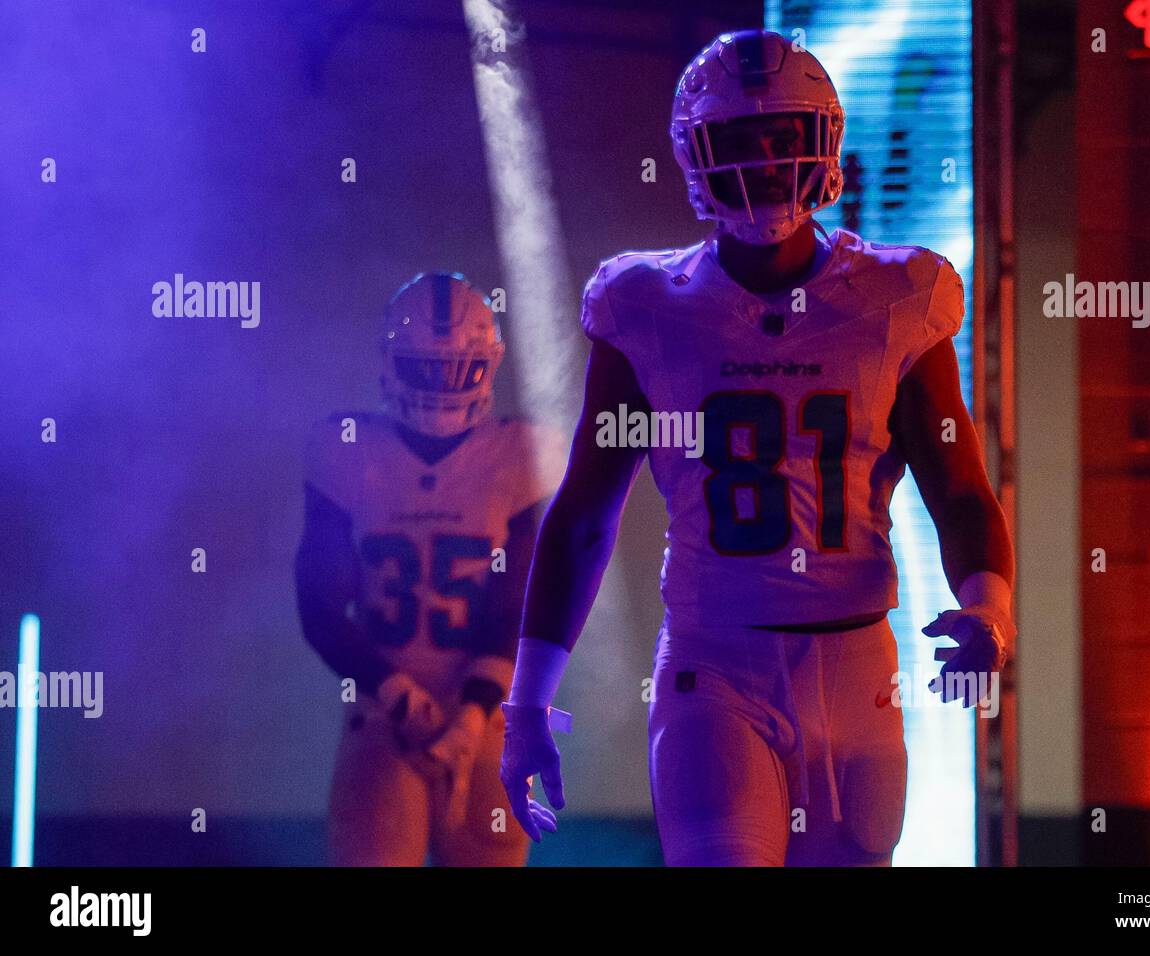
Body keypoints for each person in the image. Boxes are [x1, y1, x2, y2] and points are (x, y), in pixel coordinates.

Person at [499, 29, 1017, 866]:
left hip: (857, 665)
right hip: (717, 665)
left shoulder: (895, 296)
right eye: (740, 139)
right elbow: (585, 517)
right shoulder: (647, 303)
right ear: (697, 153)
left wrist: (990, 606)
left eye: (784, 136)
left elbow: (956, 486)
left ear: (822, 140)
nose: (765, 161)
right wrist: (528, 705)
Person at [296, 271, 563, 865]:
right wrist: (402, 699)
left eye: (456, 369)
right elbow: (320, 607)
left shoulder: (518, 454)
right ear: (393, 363)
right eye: (426, 367)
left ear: (486, 365)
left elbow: (517, 605)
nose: (442, 383)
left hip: (488, 718)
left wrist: (468, 715)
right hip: (385, 713)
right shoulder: (349, 452)